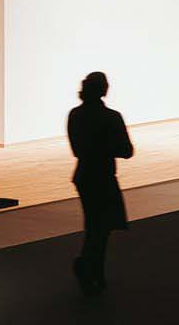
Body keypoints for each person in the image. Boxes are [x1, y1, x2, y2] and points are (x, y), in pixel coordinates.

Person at [67, 71, 134, 295]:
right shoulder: (112, 117)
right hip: (104, 177)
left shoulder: (75, 115)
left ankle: (92, 269)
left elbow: (77, 149)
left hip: (84, 175)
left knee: (94, 225)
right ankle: (90, 268)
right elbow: (126, 151)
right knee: (102, 228)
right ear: (104, 90)